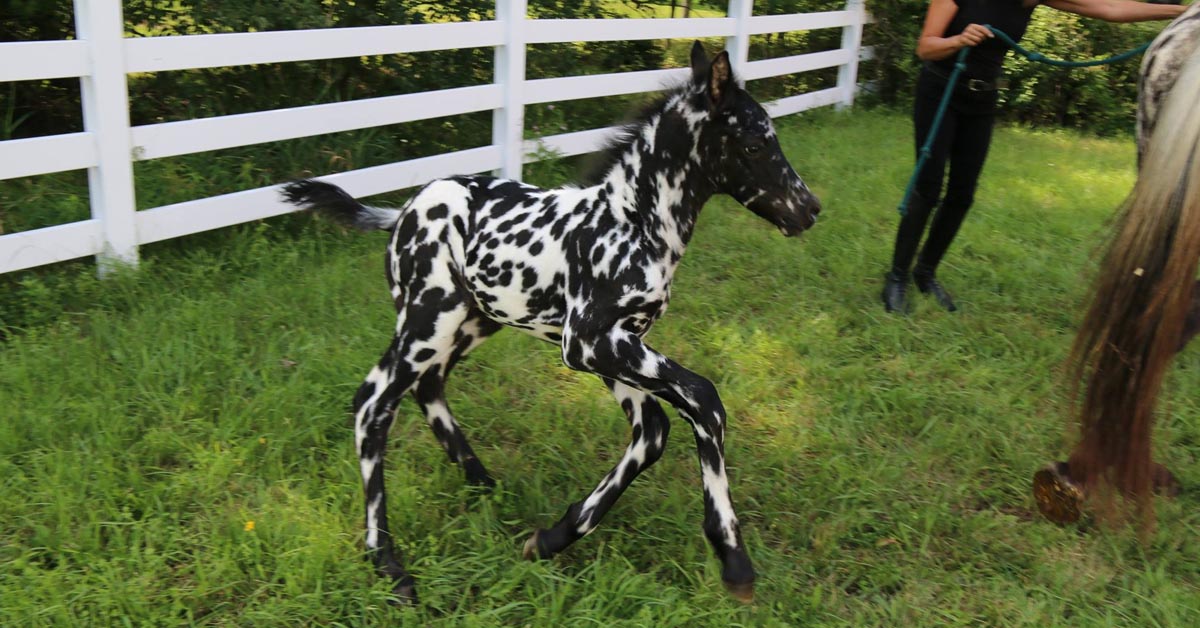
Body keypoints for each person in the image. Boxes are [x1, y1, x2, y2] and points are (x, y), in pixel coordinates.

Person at [882, 0, 1188, 314]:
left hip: (982, 98)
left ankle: (926, 272)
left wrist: (1182, 13)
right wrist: (958, 40)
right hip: (941, 92)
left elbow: (1109, 8)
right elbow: (926, 48)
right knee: (929, 187)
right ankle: (897, 277)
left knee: (962, 194)